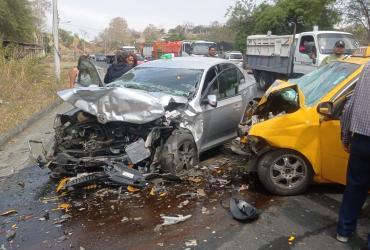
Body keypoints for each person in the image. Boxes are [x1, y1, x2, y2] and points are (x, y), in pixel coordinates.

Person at [337, 60, 370, 249]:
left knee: (355, 187)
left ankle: (344, 231)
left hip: (363, 141)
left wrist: (346, 137)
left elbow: (350, 106)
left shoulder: (368, 67)